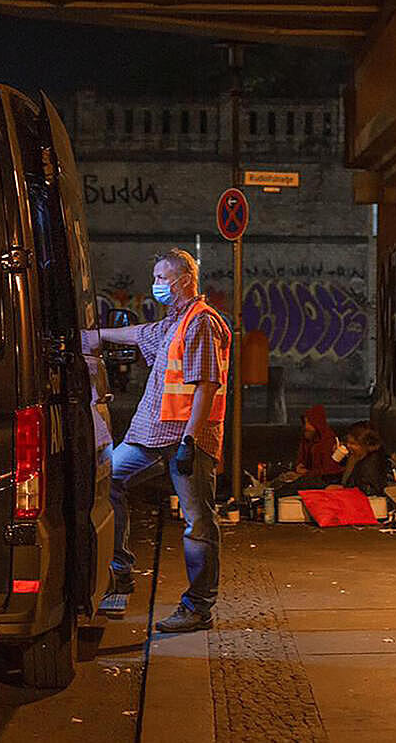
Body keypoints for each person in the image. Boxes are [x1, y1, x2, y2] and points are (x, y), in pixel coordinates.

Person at [81, 248, 232, 633]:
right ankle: (120, 570)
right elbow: (139, 333)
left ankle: (198, 607)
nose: (157, 285)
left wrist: (189, 440)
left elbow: (207, 386)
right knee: (109, 478)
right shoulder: (174, 322)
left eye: (162, 278)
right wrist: (96, 337)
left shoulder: (201, 323)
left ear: (185, 280)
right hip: (153, 432)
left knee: (198, 522)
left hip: (184, 438)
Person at [337, 421, 390, 495]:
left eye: (353, 444)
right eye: (348, 442)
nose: (348, 446)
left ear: (366, 444)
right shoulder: (358, 457)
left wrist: (342, 490)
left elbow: (367, 492)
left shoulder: (370, 464)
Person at [293, 404, 343, 480]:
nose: (306, 426)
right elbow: (301, 459)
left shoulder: (328, 441)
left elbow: (329, 470)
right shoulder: (307, 440)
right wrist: (299, 466)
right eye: (305, 422)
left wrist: (307, 473)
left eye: (309, 423)